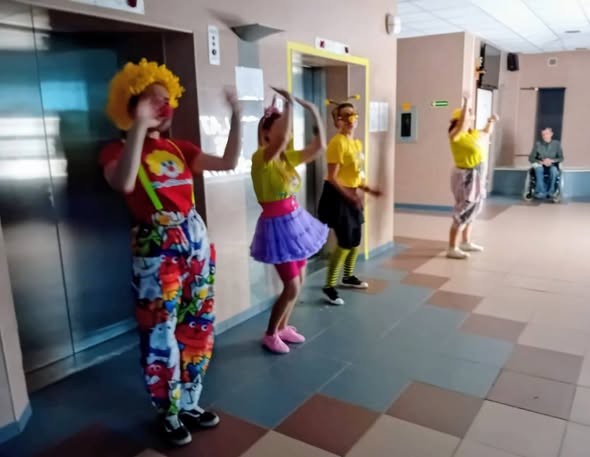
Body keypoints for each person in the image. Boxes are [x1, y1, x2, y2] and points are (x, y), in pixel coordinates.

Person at [99, 59, 241, 447]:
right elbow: (124, 183)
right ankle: (168, 411)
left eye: (167, 100)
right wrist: (139, 128)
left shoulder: (180, 147)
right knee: (159, 330)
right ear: (131, 105)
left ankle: (190, 402)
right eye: (153, 100)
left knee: (198, 325)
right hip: (156, 250)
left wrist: (238, 117)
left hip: (195, 243)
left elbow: (228, 162)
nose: (164, 106)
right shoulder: (115, 150)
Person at [250, 88, 328, 354]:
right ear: (266, 133)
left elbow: (319, 147)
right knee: (291, 287)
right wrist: (290, 105)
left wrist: (314, 111)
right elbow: (282, 138)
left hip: (295, 223)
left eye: (289, 127)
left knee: (300, 280)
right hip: (276, 228)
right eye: (283, 127)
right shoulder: (261, 159)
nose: (289, 133)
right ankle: (270, 333)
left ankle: (283, 327)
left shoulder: (285, 159)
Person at [318, 98, 381, 306]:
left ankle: (348, 276)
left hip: (351, 194)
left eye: (353, 115)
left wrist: (367, 189)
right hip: (337, 196)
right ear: (337, 121)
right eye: (345, 116)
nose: (350, 119)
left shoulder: (356, 143)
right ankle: (329, 286)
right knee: (345, 241)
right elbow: (332, 177)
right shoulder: (337, 143)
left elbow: (356, 174)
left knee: (355, 240)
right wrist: (349, 195)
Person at [447, 94, 498, 260]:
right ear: (459, 120)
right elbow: (461, 125)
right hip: (465, 177)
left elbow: (486, 133)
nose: (470, 118)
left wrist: (491, 121)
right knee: (464, 208)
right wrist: (466, 104)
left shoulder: (471, 134)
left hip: (476, 176)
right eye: (468, 116)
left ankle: (465, 242)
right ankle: (452, 247)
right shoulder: (456, 135)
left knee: (474, 209)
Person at [528, 127, 564, 199]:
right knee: (539, 169)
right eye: (543, 134)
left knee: (553, 170)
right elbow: (531, 158)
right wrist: (541, 162)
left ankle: (551, 192)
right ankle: (540, 192)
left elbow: (561, 158)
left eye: (546, 134)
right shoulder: (538, 144)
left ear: (551, 134)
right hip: (541, 165)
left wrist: (552, 161)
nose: (545, 136)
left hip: (552, 165)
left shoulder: (556, 144)